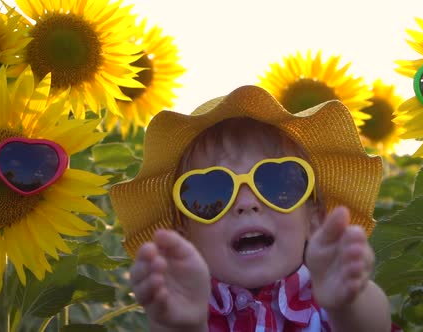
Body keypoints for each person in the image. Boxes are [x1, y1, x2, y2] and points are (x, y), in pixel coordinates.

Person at [109, 85, 397, 332]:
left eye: (276, 182)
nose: (246, 203)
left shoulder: (326, 292)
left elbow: (374, 324)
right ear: (185, 236)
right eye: (211, 193)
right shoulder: (188, 302)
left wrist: (349, 301)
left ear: (315, 219)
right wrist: (183, 326)